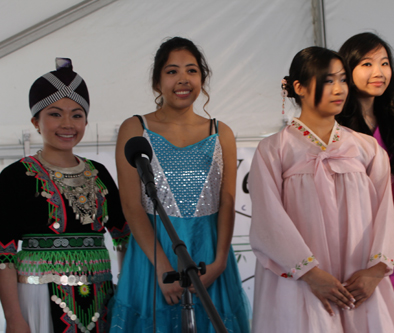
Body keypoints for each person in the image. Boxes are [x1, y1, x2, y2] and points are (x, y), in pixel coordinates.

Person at [249, 46, 394, 332]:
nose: (339, 89)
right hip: (301, 282)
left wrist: (374, 272)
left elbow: (385, 212)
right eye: (328, 80)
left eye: (343, 79)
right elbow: (268, 221)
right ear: (299, 87)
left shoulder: (367, 147)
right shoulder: (274, 150)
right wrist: (310, 273)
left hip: (360, 281)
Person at [108, 37, 250, 332]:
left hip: (208, 252)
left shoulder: (221, 132)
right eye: (172, 71)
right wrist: (162, 267)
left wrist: (221, 261)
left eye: (192, 71)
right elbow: (132, 206)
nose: (183, 79)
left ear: (203, 78)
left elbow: (226, 200)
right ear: (157, 82)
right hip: (153, 254)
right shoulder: (135, 128)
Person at [0, 58, 130, 333]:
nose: (67, 124)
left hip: (102, 295)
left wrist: (128, 296)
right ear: (36, 121)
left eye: (77, 114)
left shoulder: (100, 173)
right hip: (37, 297)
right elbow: (3, 254)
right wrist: (13, 318)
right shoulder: (15, 177)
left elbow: (124, 237)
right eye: (55, 114)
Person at [337, 32, 394, 331]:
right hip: (355, 246)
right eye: (367, 64)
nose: (378, 72)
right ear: (346, 70)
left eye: (385, 64)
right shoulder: (336, 130)